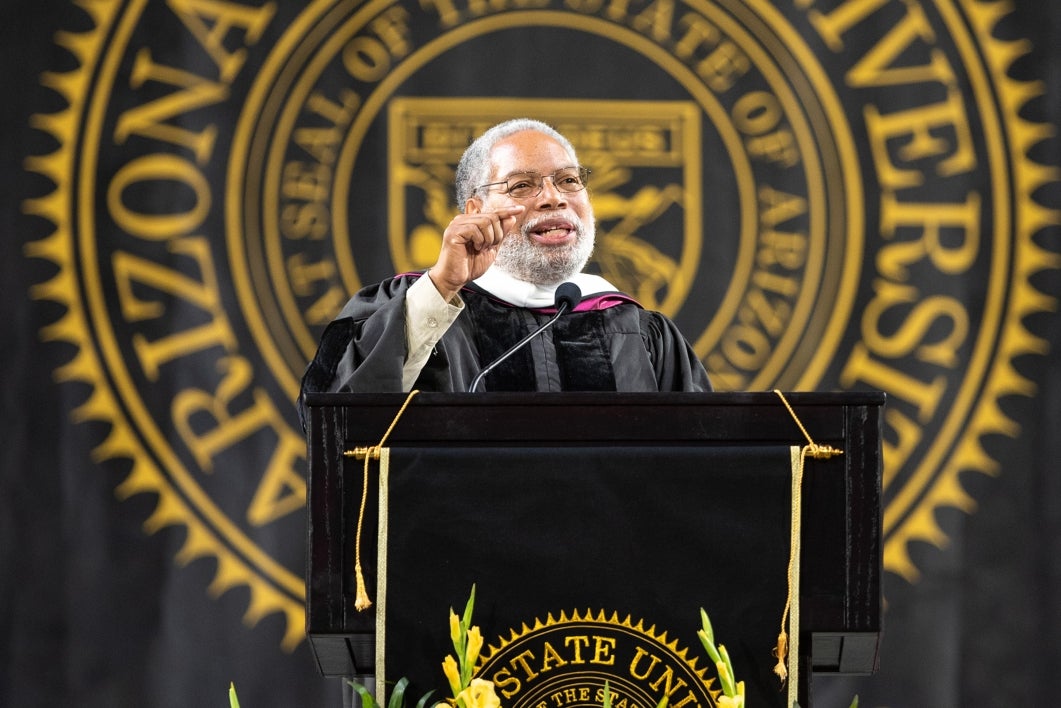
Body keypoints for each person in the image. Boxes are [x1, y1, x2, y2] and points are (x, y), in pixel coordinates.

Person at [299, 118, 711, 406]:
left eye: (568, 180)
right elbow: (338, 411)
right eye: (522, 185)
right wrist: (442, 287)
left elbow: (700, 464)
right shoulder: (416, 311)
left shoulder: (639, 329)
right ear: (475, 210)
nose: (554, 197)